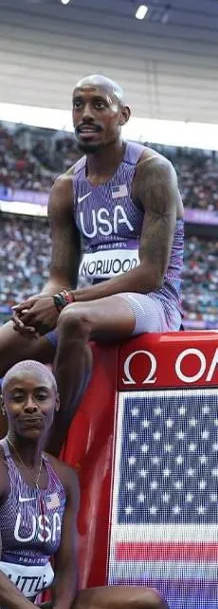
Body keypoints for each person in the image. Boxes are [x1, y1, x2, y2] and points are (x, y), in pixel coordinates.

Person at [0, 75, 185, 456]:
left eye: (99, 104)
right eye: (78, 104)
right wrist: (40, 304)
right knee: (8, 340)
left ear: (123, 115)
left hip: (151, 302)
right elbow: (59, 277)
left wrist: (63, 301)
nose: (86, 114)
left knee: (73, 319)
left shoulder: (151, 171)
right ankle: (10, 451)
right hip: (84, 299)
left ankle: (47, 453)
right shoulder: (66, 186)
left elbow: (151, 273)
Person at [0, 359, 166, 609]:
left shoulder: (63, 477)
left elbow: (68, 565)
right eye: (17, 397)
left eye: (40, 396)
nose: (29, 406)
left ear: (56, 402)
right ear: (3, 405)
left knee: (145, 607)